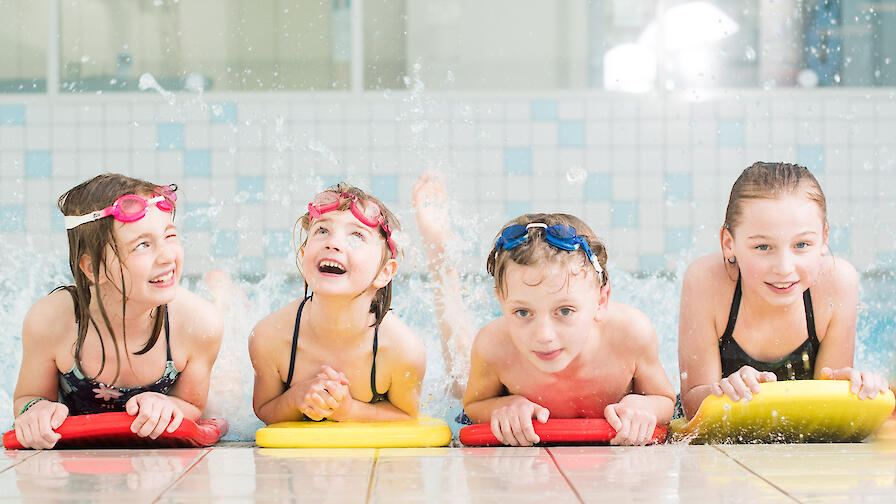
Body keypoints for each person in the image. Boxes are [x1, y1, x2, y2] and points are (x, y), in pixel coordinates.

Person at [13, 173, 223, 449]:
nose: (167, 256)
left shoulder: (198, 324)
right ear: (93, 268)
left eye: (170, 236)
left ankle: (223, 294)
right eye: (143, 245)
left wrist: (169, 404)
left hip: (190, 327)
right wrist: (36, 409)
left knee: (227, 387)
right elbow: (27, 397)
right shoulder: (52, 321)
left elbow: (193, 405)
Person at [678, 162, 888, 420]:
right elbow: (691, 409)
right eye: (763, 247)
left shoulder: (837, 284)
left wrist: (853, 387)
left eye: (802, 244)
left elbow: (825, 414)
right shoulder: (706, 282)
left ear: (824, 239)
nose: (784, 268)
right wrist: (721, 391)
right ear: (728, 243)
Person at [462, 213, 675, 446]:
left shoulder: (630, 335)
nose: (544, 335)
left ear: (601, 302)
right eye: (522, 312)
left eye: (564, 311)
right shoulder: (493, 347)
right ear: (502, 304)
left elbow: (665, 399)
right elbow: (473, 405)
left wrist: (643, 405)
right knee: (458, 382)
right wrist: (504, 405)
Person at [249, 183, 425, 424]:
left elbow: (407, 416)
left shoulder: (402, 351)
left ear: (384, 272)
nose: (333, 243)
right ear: (304, 255)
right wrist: (293, 399)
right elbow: (264, 409)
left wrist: (351, 411)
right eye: (322, 230)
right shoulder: (270, 337)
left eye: (356, 235)